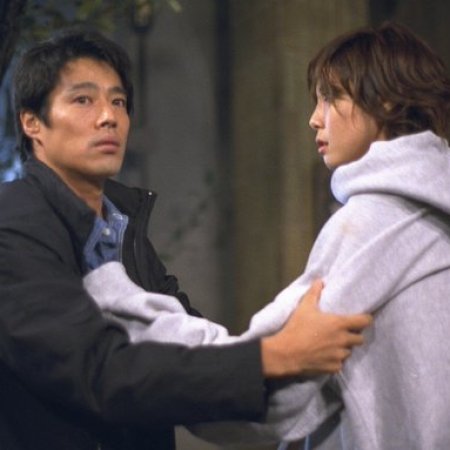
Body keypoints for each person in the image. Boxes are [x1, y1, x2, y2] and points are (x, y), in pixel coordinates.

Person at [84, 21, 450, 450]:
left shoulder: (375, 224)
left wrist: (111, 291)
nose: (314, 118)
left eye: (332, 97)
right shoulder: (432, 216)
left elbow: (264, 391)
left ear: (387, 101)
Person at [0, 29, 371, 450]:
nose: (108, 117)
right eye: (83, 100)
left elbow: (186, 338)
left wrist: (283, 359)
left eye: (118, 101)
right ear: (32, 123)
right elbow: (97, 371)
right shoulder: (14, 223)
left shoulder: (120, 226)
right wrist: (273, 356)